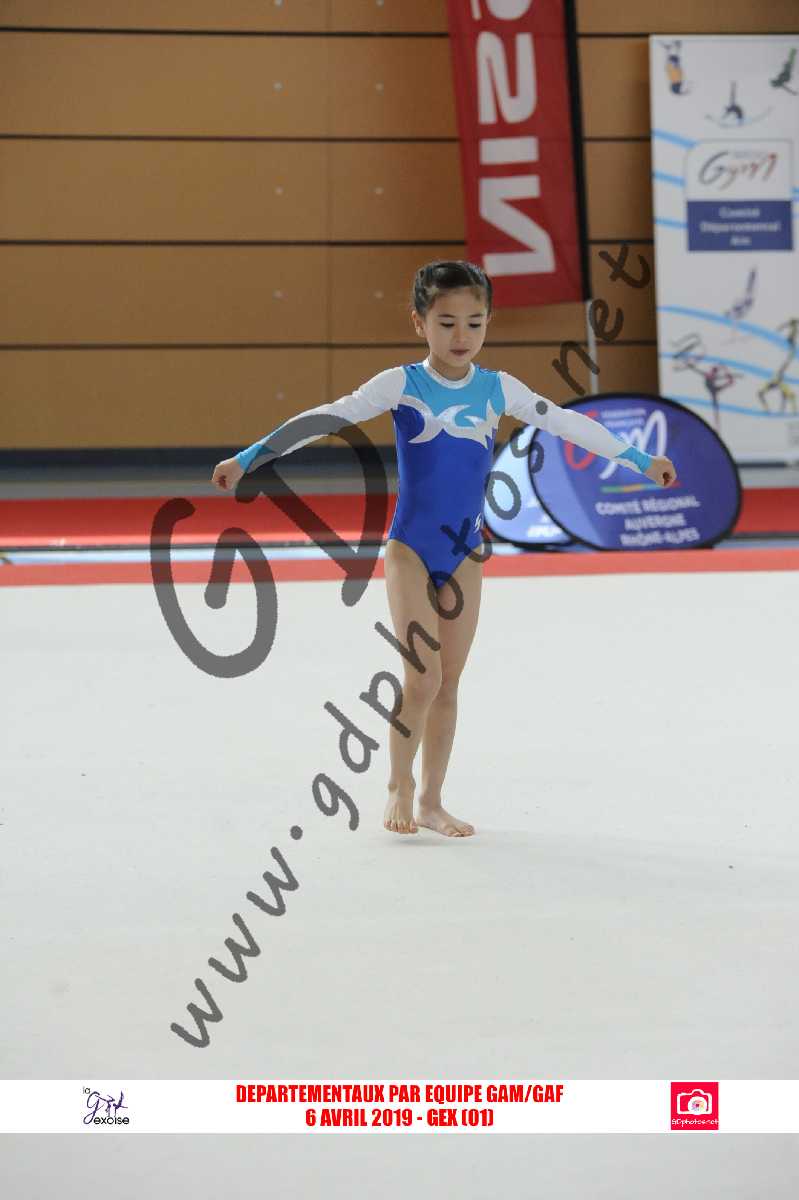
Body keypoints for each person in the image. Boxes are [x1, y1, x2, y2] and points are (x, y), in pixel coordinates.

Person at [211, 261, 676, 839]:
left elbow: (564, 424)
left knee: (449, 682)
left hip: (465, 553)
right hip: (410, 547)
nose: (462, 337)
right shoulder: (401, 384)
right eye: (447, 322)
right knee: (421, 680)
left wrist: (639, 460)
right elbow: (327, 418)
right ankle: (398, 784)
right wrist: (249, 458)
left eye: (475, 324)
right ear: (420, 323)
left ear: (488, 323)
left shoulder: (498, 388)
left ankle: (432, 801)